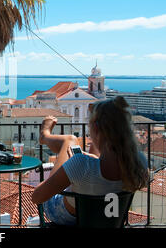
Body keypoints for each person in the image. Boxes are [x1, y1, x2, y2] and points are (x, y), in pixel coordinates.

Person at [31, 96, 148, 226]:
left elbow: (37, 197)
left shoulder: (81, 164)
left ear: (96, 129)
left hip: (68, 216)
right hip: (107, 218)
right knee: (86, 148)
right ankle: (46, 136)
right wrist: (93, 160)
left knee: (70, 140)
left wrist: (67, 168)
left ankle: (45, 135)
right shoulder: (139, 161)